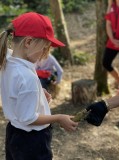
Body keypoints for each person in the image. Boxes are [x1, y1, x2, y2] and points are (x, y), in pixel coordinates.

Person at [0, 12, 78, 160]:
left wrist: (38, 93)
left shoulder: (7, 59)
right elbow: (28, 118)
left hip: (14, 133)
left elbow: (16, 91)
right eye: (44, 48)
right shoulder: (26, 76)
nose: (45, 54)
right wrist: (59, 117)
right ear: (28, 42)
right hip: (32, 140)